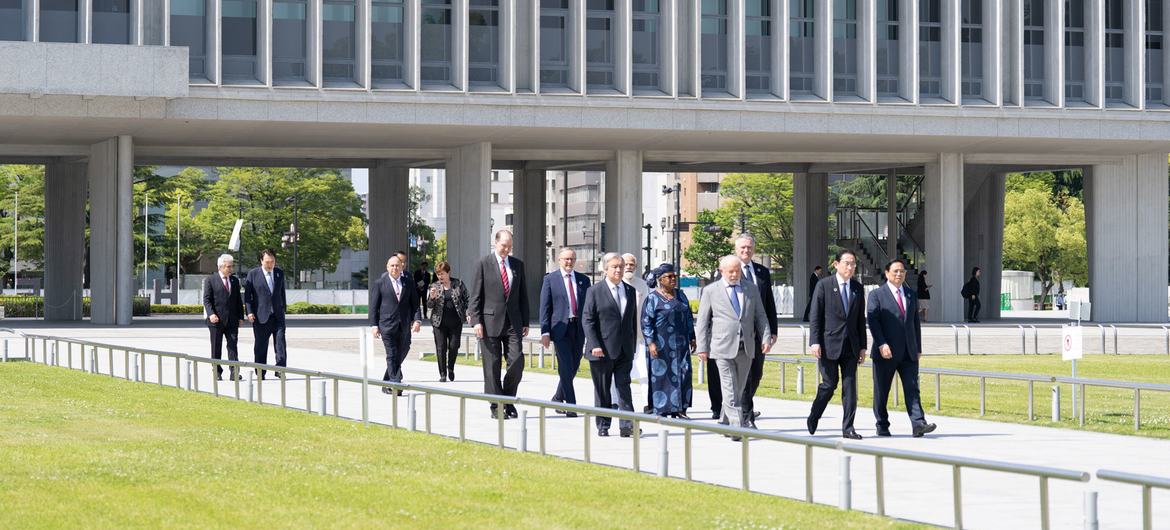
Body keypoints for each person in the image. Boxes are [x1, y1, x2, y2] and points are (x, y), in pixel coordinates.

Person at [696, 255, 772, 440]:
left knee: (738, 388)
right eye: (730, 271)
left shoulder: (751, 289)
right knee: (729, 387)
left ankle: (725, 420)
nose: (734, 274)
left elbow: (760, 315)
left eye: (737, 271)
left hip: (746, 346)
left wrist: (766, 337)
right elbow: (702, 321)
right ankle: (738, 428)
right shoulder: (710, 291)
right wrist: (702, 347)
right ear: (722, 271)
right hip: (721, 346)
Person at [707, 234, 777, 426]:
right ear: (736, 249)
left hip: (755, 333)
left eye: (749, 247)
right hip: (730, 338)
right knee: (737, 382)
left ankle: (727, 414)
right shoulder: (727, 270)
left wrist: (772, 330)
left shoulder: (762, 272)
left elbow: (767, 304)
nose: (746, 251)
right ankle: (745, 418)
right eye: (742, 248)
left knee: (754, 375)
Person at [867, 259, 937, 438]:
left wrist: (918, 347)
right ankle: (882, 424)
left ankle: (918, 423)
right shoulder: (876, 295)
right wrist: (882, 343)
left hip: (908, 351)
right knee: (882, 390)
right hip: (886, 352)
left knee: (913, 388)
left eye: (902, 271)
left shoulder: (910, 294)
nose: (899, 274)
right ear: (887, 273)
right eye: (896, 271)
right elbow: (873, 323)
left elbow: (915, 323)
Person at [469, 230, 530, 420]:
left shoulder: (517, 265)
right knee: (492, 365)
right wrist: (476, 321)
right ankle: (496, 404)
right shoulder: (483, 264)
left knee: (517, 361)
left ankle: (508, 399)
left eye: (510, 247)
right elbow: (475, 295)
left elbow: (522, 295)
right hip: (489, 322)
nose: (506, 250)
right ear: (495, 243)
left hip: (513, 322)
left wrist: (525, 321)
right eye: (504, 246)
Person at [807, 250, 867, 440]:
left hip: (851, 345)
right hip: (828, 343)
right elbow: (815, 316)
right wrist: (814, 341)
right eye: (847, 263)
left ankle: (848, 427)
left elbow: (859, 320)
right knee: (829, 384)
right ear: (836, 264)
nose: (850, 267)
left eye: (853, 264)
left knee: (850, 387)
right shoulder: (824, 285)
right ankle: (814, 414)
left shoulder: (858, 288)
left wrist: (863, 347)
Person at [582, 254, 639, 437]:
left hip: (624, 349)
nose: (619, 270)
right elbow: (588, 320)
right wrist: (594, 344)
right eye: (614, 266)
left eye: (621, 266)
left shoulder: (629, 291)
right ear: (605, 269)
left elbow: (631, 322)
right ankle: (603, 424)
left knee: (624, 387)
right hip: (602, 350)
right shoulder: (594, 291)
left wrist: (633, 345)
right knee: (603, 389)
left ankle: (627, 425)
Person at [641, 263, 695, 419]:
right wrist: (650, 343)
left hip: (681, 344)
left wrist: (692, 337)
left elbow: (688, 317)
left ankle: (680, 409)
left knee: (684, 373)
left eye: (674, 276)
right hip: (660, 344)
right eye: (669, 277)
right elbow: (646, 322)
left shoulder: (681, 295)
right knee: (662, 376)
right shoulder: (652, 298)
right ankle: (663, 409)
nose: (673, 279)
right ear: (660, 279)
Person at [540, 248, 590, 417]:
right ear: (559, 260)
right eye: (566, 259)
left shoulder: (584, 280)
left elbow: (588, 307)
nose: (569, 262)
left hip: (578, 328)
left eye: (572, 259)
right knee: (565, 366)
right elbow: (544, 308)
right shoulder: (550, 280)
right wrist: (545, 331)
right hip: (560, 328)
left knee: (574, 365)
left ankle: (557, 397)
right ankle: (571, 405)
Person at [369, 255, 422, 395]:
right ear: (387, 267)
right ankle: (396, 382)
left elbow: (415, 304)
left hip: (404, 325)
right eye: (392, 265)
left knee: (403, 351)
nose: (395, 268)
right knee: (391, 353)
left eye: (397, 265)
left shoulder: (408, 282)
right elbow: (374, 307)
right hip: (387, 325)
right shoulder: (380, 283)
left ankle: (386, 382)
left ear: (402, 267)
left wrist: (417, 320)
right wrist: (374, 325)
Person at [244, 249, 287, 380]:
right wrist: (249, 312)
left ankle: (280, 369)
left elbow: (282, 292)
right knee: (261, 345)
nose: (270, 265)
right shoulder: (253, 274)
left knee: (280, 343)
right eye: (268, 262)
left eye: (273, 262)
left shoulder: (279, 273)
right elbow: (247, 296)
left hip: (278, 316)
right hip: (261, 315)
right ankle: (260, 371)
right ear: (261, 261)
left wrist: (283, 308)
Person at [203, 254, 245, 381]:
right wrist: (211, 314)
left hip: (232, 320)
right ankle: (217, 371)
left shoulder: (234, 281)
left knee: (233, 346)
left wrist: (240, 317)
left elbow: (238, 300)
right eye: (228, 266)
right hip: (216, 320)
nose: (231, 269)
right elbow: (207, 300)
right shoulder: (210, 280)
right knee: (216, 347)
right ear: (220, 267)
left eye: (232, 266)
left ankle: (234, 371)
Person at [426, 261, 469, 382]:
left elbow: (467, 299)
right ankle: (442, 373)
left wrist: (468, 312)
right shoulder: (434, 286)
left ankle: (450, 368)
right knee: (441, 348)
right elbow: (429, 305)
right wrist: (432, 297)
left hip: (456, 321)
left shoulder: (458, 283)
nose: (440, 276)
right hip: (439, 322)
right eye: (438, 274)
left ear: (448, 273)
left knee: (454, 346)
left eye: (442, 273)